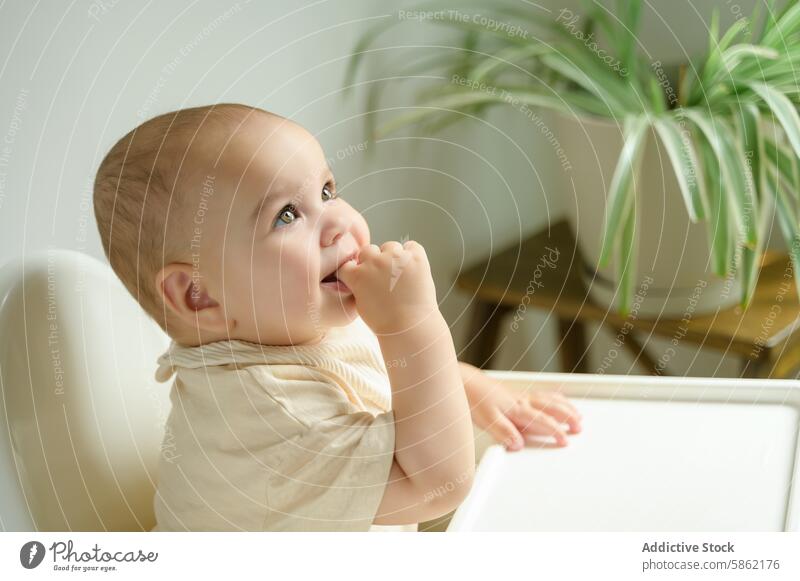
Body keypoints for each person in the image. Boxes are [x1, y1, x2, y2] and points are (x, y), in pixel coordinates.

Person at [92, 103, 582, 531]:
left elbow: (376, 377)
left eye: (326, 191)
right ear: (199, 297)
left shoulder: (294, 324)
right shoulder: (267, 412)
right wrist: (413, 323)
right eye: (287, 215)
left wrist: (470, 384)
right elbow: (438, 483)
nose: (339, 222)